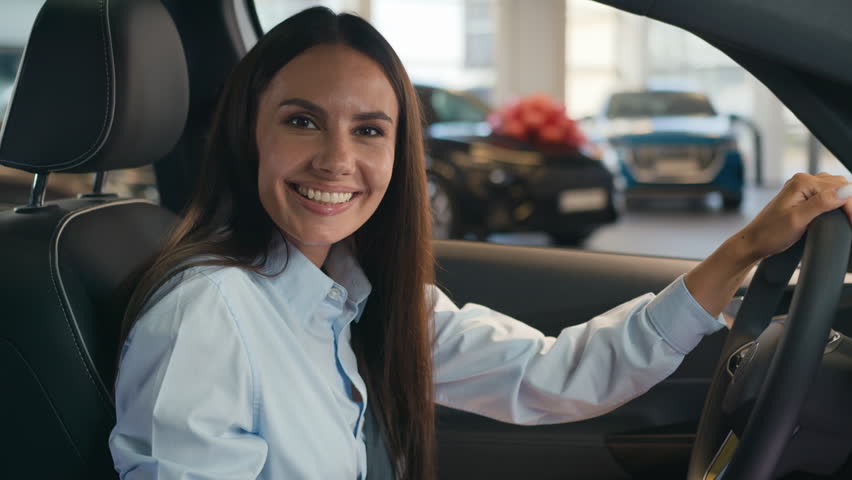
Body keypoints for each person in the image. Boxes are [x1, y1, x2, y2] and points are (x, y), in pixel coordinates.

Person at [108, 6, 852, 480]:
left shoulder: (359, 296)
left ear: (399, 152)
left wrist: (746, 249)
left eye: (369, 129)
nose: (337, 160)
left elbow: (553, 374)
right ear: (249, 135)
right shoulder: (209, 313)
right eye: (302, 121)